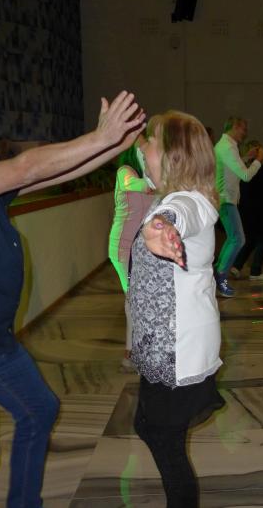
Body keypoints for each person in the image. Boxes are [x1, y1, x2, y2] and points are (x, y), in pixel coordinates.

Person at [0, 93, 184, 507]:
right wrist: (100, 137)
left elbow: (44, 176)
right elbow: (25, 167)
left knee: (38, 410)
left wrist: (112, 145)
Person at [128, 110, 225, 507]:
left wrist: (161, 225)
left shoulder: (189, 202)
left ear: (173, 156)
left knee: (164, 441)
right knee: (149, 426)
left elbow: (181, 214)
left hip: (178, 350)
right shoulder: (170, 196)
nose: (143, 150)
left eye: (151, 142)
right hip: (163, 345)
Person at [107, 137, 154, 373]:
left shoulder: (149, 175)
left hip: (140, 247)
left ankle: (137, 349)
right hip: (123, 247)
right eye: (142, 148)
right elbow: (141, 186)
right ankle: (131, 352)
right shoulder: (125, 172)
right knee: (134, 298)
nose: (147, 152)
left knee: (138, 297)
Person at [214, 116, 263, 297]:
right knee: (238, 239)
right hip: (225, 199)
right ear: (235, 127)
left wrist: (247, 157)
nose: (245, 132)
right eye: (243, 129)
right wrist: (258, 160)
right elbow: (245, 176)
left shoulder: (226, 145)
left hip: (225, 198)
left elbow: (231, 168)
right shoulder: (227, 147)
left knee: (233, 238)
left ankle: (218, 272)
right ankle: (220, 276)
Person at [232, 140, 263, 281]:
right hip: (262, 212)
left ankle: (237, 265)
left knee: (250, 240)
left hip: (246, 211)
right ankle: (255, 271)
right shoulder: (261, 169)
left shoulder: (242, 169)